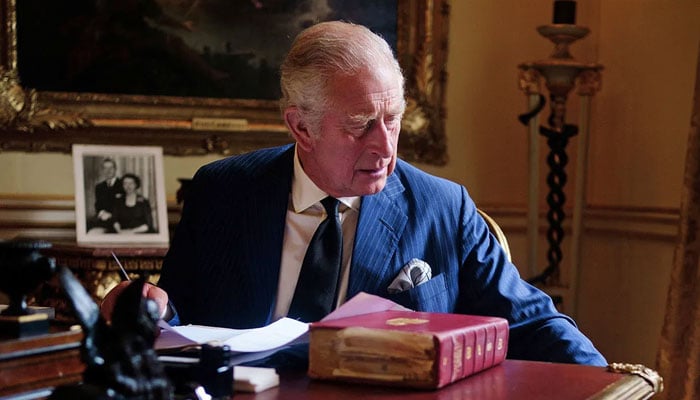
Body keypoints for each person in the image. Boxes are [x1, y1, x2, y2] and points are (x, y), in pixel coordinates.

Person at [102, 21, 606, 367]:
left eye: (393, 119)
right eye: (362, 124)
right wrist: (149, 308)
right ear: (301, 127)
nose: (385, 146)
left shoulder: (443, 207)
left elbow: (532, 323)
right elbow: (180, 319)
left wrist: (620, 385)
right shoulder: (223, 191)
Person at [89, 157, 124, 233]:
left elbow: (124, 205)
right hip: (103, 219)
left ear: (115, 169)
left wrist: (111, 215)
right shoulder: (99, 187)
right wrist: (102, 213)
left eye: (111, 168)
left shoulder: (123, 185)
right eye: (105, 168)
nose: (108, 171)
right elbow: (98, 204)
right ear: (103, 170)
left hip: (119, 220)